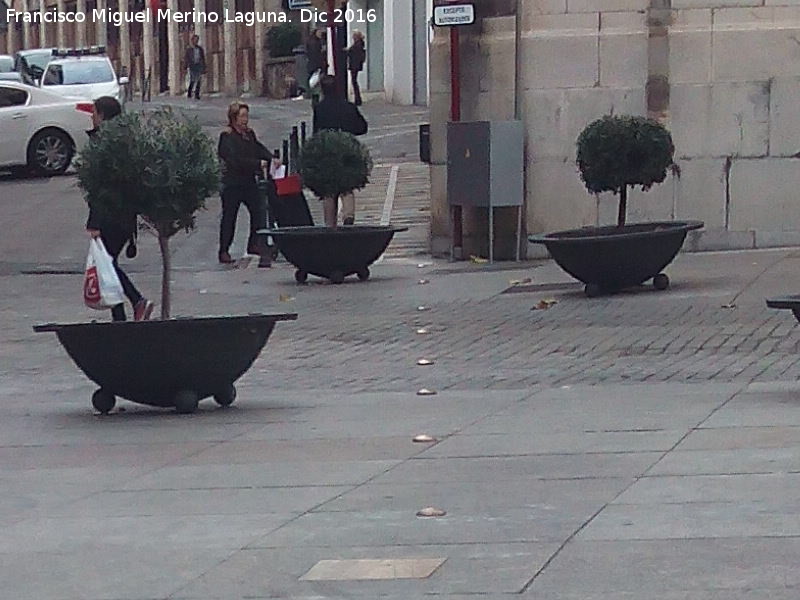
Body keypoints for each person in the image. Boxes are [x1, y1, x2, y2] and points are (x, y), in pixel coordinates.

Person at [85, 96, 154, 322]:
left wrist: (94, 222)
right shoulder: (127, 141)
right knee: (108, 264)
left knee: (108, 264)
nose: (92, 117)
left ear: (103, 116)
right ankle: (120, 315)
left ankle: (136, 301)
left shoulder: (105, 144)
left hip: (109, 216)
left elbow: (99, 186)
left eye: (94, 113)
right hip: (125, 216)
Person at [217, 101, 273, 267]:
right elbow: (233, 160)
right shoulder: (227, 136)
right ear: (233, 118)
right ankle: (224, 250)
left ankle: (253, 244)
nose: (245, 119)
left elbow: (258, 148)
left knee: (258, 212)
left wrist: (271, 158)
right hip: (232, 183)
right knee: (229, 217)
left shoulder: (249, 134)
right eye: (242, 116)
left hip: (249, 181)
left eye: (246, 116)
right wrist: (257, 164)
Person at [313, 74, 368, 227]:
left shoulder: (320, 108)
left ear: (323, 90)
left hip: (327, 151)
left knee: (328, 190)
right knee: (347, 185)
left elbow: (317, 132)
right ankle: (348, 214)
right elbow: (362, 127)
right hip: (347, 149)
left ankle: (330, 223)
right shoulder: (348, 106)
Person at [305, 28, 327, 101]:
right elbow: (316, 56)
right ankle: (316, 102)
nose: (320, 34)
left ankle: (315, 101)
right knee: (316, 85)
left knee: (315, 85)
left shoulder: (312, 41)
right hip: (316, 67)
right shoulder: (315, 43)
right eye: (319, 32)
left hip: (313, 66)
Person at [346, 30, 366, 106]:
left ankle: (358, 99)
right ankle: (357, 98)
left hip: (355, 65)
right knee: (354, 81)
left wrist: (347, 51)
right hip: (355, 64)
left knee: (354, 81)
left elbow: (353, 52)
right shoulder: (359, 44)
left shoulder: (358, 44)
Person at [185, 34, 206, 100]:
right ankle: (189, 92)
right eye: (195, 40)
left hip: (198, 65)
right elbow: (186, 58)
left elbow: (202, 58)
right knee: (193, 80)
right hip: (192, 66)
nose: (196, 41)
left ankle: (197, 94)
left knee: (199, 80)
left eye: (197, 40)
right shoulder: (189, 49)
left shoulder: (200, 49)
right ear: (192, 40)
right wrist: (186, 66)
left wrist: (204, 67)